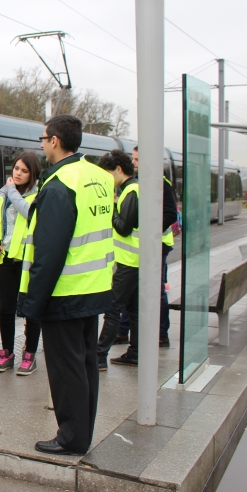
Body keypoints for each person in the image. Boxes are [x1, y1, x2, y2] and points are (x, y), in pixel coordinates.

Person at [19, 115, 114, 456]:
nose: (42, 145)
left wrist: (32, 303)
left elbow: (50, 251)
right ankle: (82, 431)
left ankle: (71, 437)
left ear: (55, 141)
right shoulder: (98, 177)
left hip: (64, 291)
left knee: (65, 368)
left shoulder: (60, 184)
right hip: (94, 285)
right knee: (86, 363)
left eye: (43, 139)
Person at [114, 146, 178, 347]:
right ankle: (124, 331)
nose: (134, 163)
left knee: (155, 290)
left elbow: (170, 214)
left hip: (157, 245)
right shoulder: (141, 183)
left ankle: (160, 334)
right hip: (145, 245)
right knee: (132, 290)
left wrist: (150, 230)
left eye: (138, 159)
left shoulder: (159, 183)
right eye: (134, 159)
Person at [0, 152, 42, 375]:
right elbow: (1, 223)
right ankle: (7, 352)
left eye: (24, 170)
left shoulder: (39, 194)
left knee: (31, 308)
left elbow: (28, 213)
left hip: (28, 259)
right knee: (6, 308)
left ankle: (30, 354)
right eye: (16, 169)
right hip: (6, 257)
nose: (18, 173)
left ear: (32, 174)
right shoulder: (5, 194)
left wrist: (11, 191)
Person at [96, 150, 141, 368]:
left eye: (107, 173)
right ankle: (136, 352)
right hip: (134, 260)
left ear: (119, 170)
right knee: (133, 310)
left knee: (113, 310)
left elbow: (123, 228)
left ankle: (99, 356)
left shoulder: (131, 191)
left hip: (129, 261)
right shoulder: (132, 189)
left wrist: (113, 206)